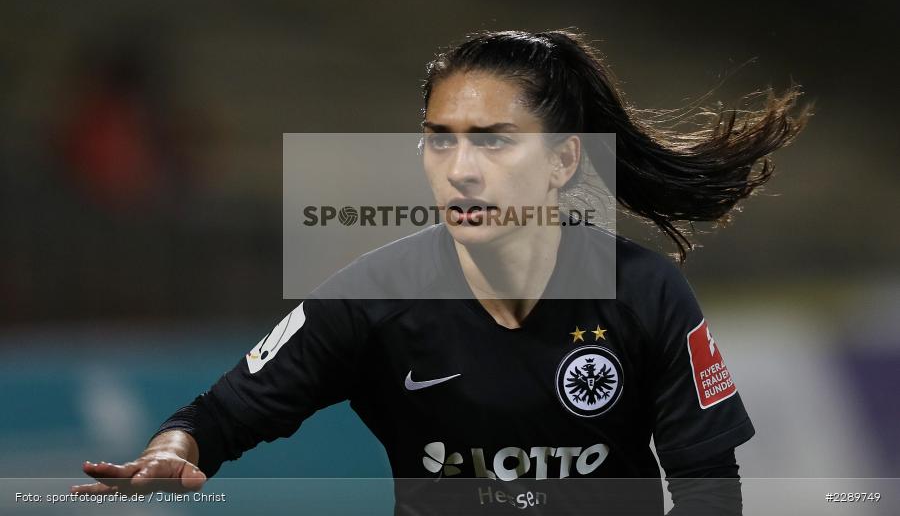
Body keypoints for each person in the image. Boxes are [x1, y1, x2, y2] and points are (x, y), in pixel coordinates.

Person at [74, 30, 810, 515]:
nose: (460, 170)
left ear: (562, 161)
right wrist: (173, 452)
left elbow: (709, 484)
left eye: (493, 143)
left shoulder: (646, 295)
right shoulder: (373, 299)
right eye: (440, 142)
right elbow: (214, 418)